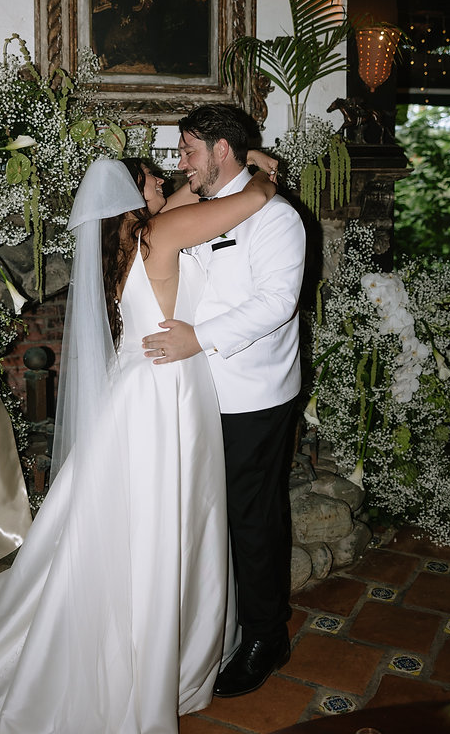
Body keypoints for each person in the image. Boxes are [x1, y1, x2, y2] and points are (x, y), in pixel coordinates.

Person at [0, 155, 277, 734]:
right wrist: (261, 172)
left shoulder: (129, 237)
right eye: (153, 177)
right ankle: (148, 655)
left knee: (142, 517)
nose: (166, 180)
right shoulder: (163, 231)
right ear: (133, 195)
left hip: (144, 386)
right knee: (163, 517)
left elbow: (186, 197)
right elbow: (252, 200)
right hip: (167, 392)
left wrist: (207, 174)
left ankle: (145, 639)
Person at [142, 104, 306, 699]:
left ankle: (267, 634)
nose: (180, 162)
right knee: (211, 514)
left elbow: (277, 303)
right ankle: (224, 619)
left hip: (253, 392)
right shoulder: (199, 203)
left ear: (221, 150)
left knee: (251, 515)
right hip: (196, 389)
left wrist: (199, 338)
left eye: (189, 150)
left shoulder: (277, 217)